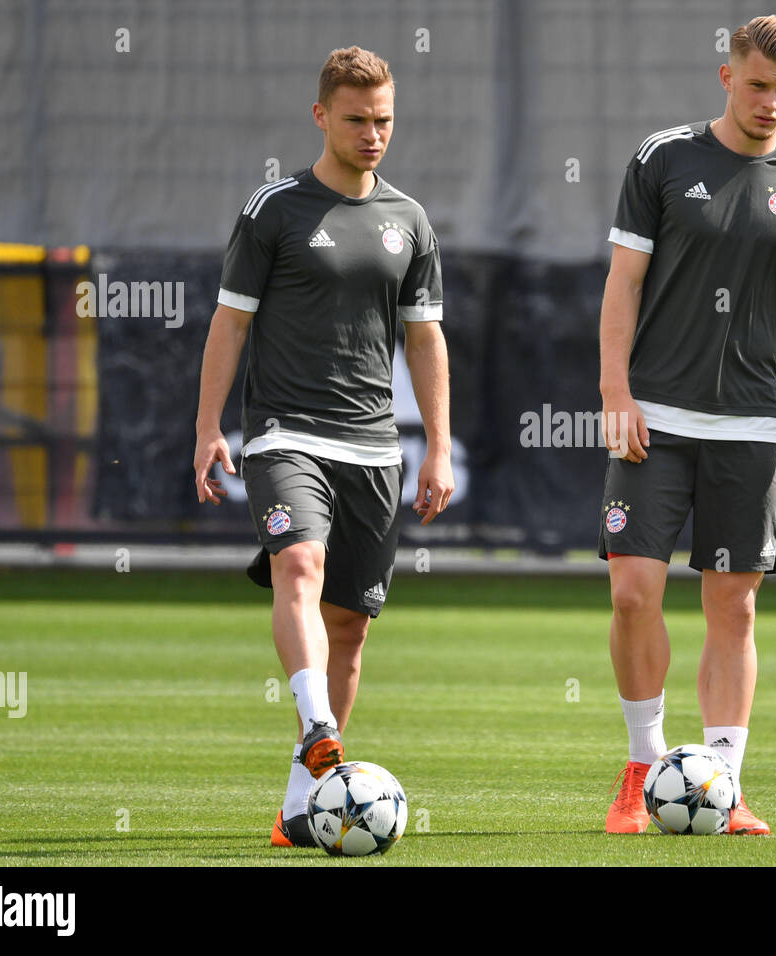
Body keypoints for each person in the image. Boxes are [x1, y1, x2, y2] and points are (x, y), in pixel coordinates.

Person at [192, 46, 453, 848]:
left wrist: (439, 446)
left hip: (375, 447)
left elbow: (426, 340)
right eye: (357, 120)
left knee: (351, 626)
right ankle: (315, 726)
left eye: (384, 121)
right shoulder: (273, 210)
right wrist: (209, 428)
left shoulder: (409, 221)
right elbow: (230, 321)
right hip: (284, 434)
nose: (373, 134)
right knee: (297, 567)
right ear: (321, 116)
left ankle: (302, 801)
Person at [598, 15, 776, 834]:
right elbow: (623, 283)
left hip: (750, 425)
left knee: (733, 609)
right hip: (654, 418)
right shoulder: (663, 159)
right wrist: (614, 392)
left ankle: (724, 783)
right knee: (634, 591)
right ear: (725, 77)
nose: (771, 102)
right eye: (758, 85)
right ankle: (643, 765)